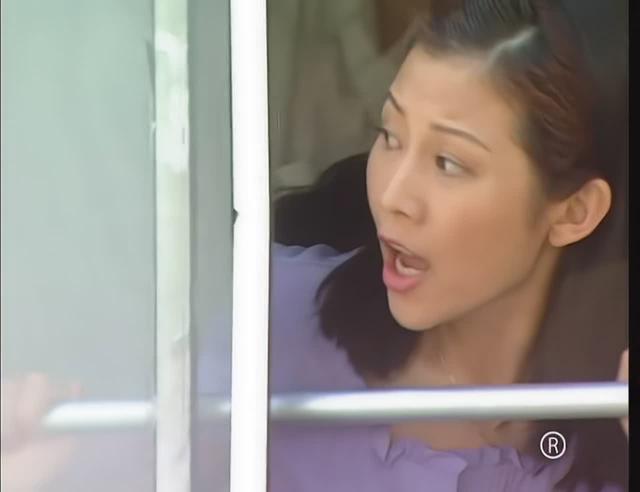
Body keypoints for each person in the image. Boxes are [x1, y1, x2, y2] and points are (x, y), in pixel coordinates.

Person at [266, 0, 628, 490]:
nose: (392, 197)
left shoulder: (610, 429)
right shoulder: (259, 336)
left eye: (448, 163)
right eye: (389, 135)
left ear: (574, 212)